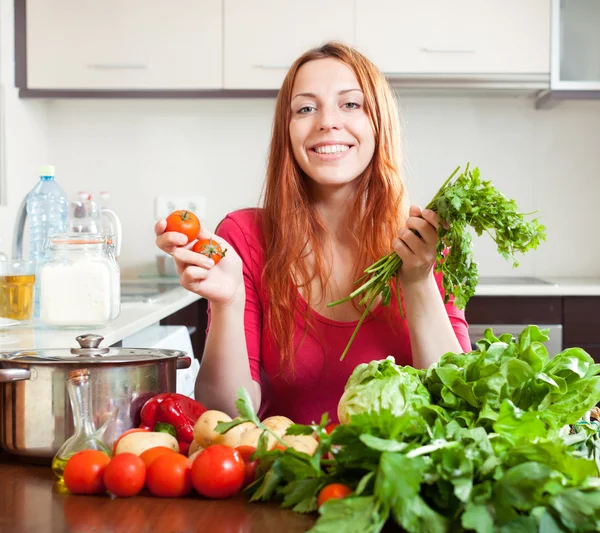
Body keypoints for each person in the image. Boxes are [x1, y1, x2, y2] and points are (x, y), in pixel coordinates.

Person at [155, 42, 471, 425]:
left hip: (397, 478)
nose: (327, 121)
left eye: (351, 104)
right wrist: (227, 302)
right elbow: (225, 413)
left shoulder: (423, 237)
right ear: (286, 132)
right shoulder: (246, 236)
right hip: (288, 473)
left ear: (379, 123)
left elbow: (454, 405)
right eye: (306, 108)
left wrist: (418, 279)